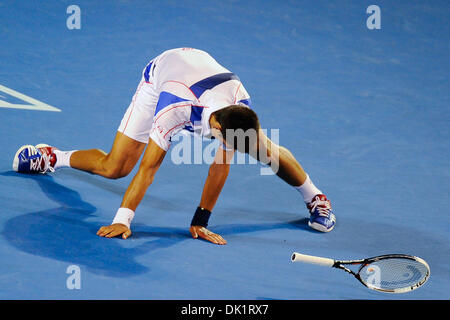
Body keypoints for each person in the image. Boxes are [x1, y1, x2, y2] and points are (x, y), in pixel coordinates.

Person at [12, 48, 336, 245]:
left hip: (204, 77)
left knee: (265, 150)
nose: (234, 147)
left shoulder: (240, 107)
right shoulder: (173, 110)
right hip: (162, 78)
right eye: (231, 140)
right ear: (219, 128)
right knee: (116, 167)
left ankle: (315, 197)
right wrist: (123, 219)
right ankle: (52, 155)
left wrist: (200, 221)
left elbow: (221, 165)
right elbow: (148, 169)